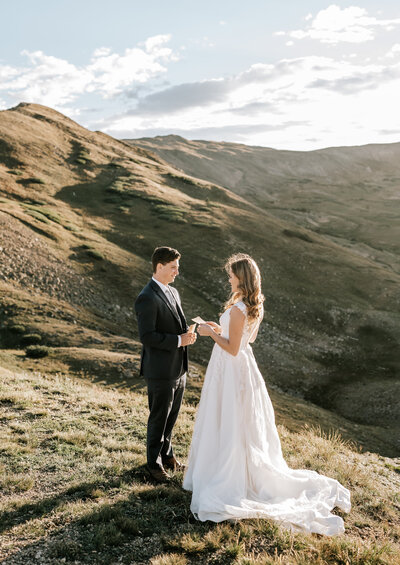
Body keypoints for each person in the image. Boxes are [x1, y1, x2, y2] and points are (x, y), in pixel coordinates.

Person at [183, 253, 351, 535]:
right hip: (239, 369)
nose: (229, 278)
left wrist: (210, 333)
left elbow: (234, 348)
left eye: (232, 275)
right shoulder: (247, 306)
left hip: (232, 369)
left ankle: (231, 475)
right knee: (235, 421)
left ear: (241, 278)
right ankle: (231, 467)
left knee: (231, 420)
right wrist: (218, 328)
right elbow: (246, 339)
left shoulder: (238, 309)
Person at [135, 246, 196, 483]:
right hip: (160, 370)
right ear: (159, 267)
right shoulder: (146, 297)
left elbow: (176, 326)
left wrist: (188, 334)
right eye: (173, 268)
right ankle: (153, 464)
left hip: (178, 368)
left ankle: (167, 456)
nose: (176, 273)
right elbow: (147, 337)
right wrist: (179, 340)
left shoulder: (173, 292)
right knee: (159, 417)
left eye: (177, 268)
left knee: (171, 417)